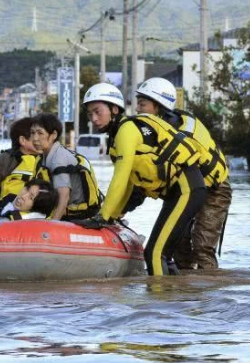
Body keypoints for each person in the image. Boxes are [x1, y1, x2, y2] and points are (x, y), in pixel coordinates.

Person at [80, 82, 206, 276]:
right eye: (90, 114)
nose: (94, 119)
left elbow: (120, 178)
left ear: (114, 109)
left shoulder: (126, 130)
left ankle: (157, 303)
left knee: (154, 254)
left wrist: (102, 217)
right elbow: (130, 183)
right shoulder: (117, 137)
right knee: (164, 255)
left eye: (98, 111)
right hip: (180, 192)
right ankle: (178, 297)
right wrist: (114, 214)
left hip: (187, 188)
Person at [135, 77, 232, 269]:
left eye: (142, 104)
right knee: (179, 245)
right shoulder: (161, 130)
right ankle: (185, 293)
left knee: (202, 247)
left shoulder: (178, 134)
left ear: (158, 106)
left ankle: (210, 295)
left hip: (215, 190)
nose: (137, 110)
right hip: (190, 190)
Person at [30, 113, 102, 220]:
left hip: (78, 215)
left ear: (53, 135)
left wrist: (52, 226)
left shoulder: (59, 158)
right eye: (32, 133)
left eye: (40, 133)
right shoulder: (43, 157)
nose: (35, 138)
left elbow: (64, 197)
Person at [0, 117, 42, 219]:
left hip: (39, 222)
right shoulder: (4, 161)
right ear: (23, 140)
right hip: (5, 220)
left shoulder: (49, 160)